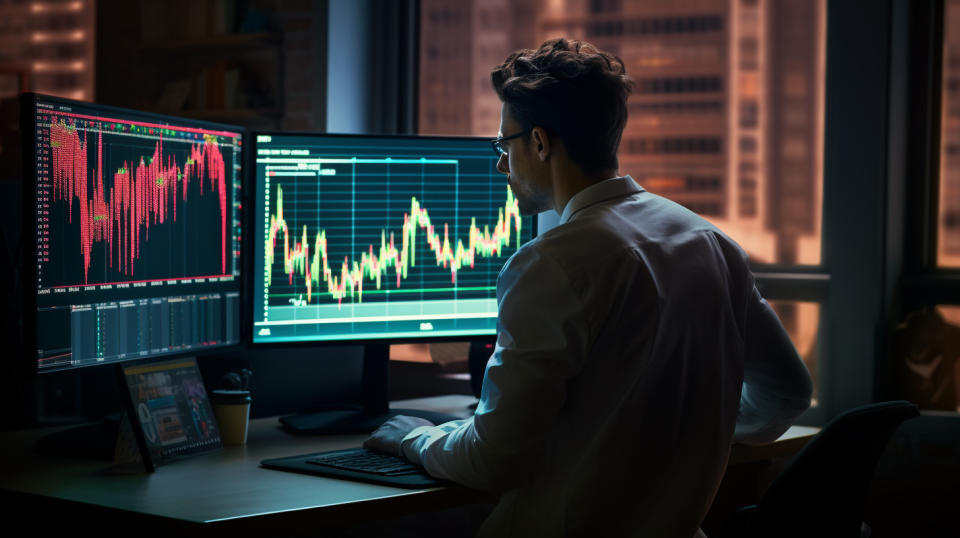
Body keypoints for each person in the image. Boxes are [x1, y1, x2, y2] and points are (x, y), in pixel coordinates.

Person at [365, 38, 813, 537]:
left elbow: (491, 463)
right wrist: (680, 438)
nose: (499, 165)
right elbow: (785, 394)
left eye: (503, 145)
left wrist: (416, 439)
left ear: (538, 142)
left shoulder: (552, 264)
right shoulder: (710, 241)